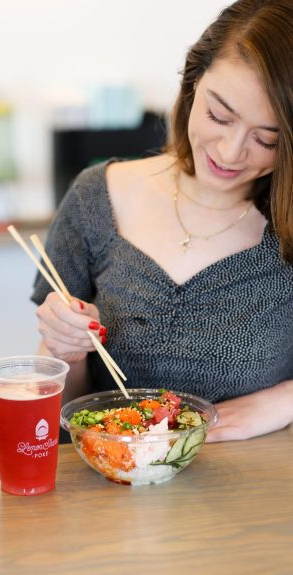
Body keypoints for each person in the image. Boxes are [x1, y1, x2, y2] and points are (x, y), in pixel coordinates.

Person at [31, 0, 293, 442]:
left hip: (252, 499)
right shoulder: (97, 198)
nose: (230, 153)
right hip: (112, 488)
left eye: (266, 140)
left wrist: (285, 398)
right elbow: (56, 422)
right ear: (192, 85)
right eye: (219, 116)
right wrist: (64, 352)